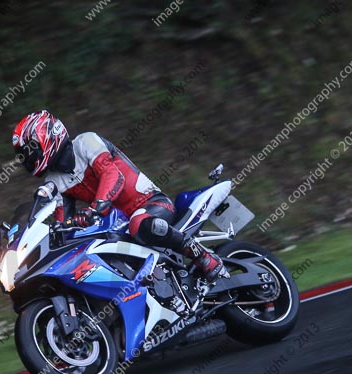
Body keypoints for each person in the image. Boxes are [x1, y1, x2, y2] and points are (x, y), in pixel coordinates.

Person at [12, 110, 227, 282]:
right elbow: (62, 220)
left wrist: (96, 209)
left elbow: (113, 175)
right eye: (25, 154)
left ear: (47, 135)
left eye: (31, 149)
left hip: (151, 203)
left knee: (139, 223)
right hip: (117, 223)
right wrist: (55, 234)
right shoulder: (54, 181)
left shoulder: (86, 142)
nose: (29, 158)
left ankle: (203, 256)